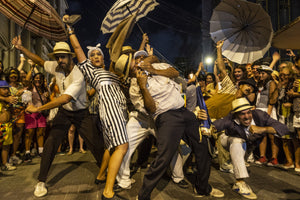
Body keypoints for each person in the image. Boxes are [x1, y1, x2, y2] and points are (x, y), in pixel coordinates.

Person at [115, 53, 224, 200]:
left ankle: (203, 188)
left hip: (184, 112)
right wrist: (143, 87)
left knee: (203, 146)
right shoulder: (135, 88)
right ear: (129, 72)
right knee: (164, 157)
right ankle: (143, 196)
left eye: (134, 62)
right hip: (166, 118)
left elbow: (174, 72)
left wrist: (153, 70)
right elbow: (152, 109)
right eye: (131, 68)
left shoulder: (156, 66)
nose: (136, 66)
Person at [11, 36, 104, 198]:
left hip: (81, 113)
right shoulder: (56, 66)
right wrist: (21, 48)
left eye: (63, 56)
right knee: (51, 143)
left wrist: (38, 108)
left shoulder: (79, 74)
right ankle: (41, 181)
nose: (59, 60)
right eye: (57, 57)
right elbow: (40, 61)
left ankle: (108, 171)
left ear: (70, 56)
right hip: (64, 113)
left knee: (95, 143)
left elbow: (65, 98)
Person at [64, 15, 128, 200]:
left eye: (98, 54)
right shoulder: (90, 71)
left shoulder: (111, 73)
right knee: (122, 146)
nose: (95, 56)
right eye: (92, 55)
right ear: (89, 60)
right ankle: (108, 191)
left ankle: (101, 176)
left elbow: (123, 58)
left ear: (103, 57)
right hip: (110, 111)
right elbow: (77, 48)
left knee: (111, 146)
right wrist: (70, 29)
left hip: (119, 111)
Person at [213, 98, 289, 199]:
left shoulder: (260, 115)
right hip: (227, 140)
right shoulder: (230, 119)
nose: (246, 117)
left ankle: (230, 164)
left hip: (247, 147)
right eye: (242, 114)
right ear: (236, 115)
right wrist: (209, 127)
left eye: (248, 112)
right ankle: (240, 183)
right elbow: (217, 124)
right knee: (236, 141)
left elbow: (284, 128)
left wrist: (263, 129)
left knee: (240, 150)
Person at [23, 71, 50, 162]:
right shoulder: (31, 87)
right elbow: (26, 80)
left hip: (41, 113)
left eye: (40, 78)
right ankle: (27, 153)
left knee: (41, 132)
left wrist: (47, 96)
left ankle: (41, 151)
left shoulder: (45, 89)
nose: (38, 80)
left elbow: (48, 101)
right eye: (36, 78)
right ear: (33, 79)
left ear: (43, 80)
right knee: (29, 133)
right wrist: (31, 68)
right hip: (31, 113)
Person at [0, 80, 17, 171]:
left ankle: (4, 163)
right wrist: (6, 99)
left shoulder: (8, 99)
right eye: (3, 89)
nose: (6, 91)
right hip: (0, 126)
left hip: (7, 125)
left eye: (7, 89)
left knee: (6, 146)